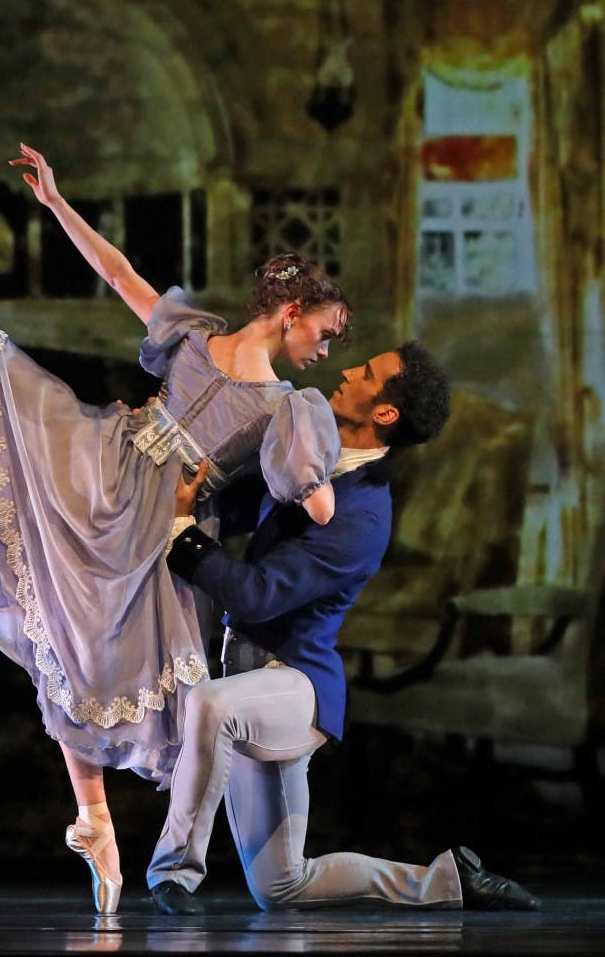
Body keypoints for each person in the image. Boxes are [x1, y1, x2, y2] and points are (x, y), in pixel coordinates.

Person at [0, 143, 349, 914]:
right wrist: (340, 465)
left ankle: (96, 819)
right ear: (292, 312)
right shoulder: (287, 404)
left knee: (87, 643)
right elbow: (315, 501)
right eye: (328, 329)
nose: (329, 347)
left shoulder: (212, 348)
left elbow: (121, 274)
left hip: (134, 489)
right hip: (143, 498)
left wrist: (57, 203)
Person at [149, 343, 540, 914]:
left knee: (210, 704)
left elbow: (255, 596)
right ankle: (451, 880)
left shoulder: (362, 517)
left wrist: (183, 533)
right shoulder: (308, 456)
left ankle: (174, 874)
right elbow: (228, 508)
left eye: (367, 374)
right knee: (280, 886)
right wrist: (151, 461)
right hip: (247, 672)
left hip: (296, 684)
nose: (348, 371)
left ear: (384, 413)